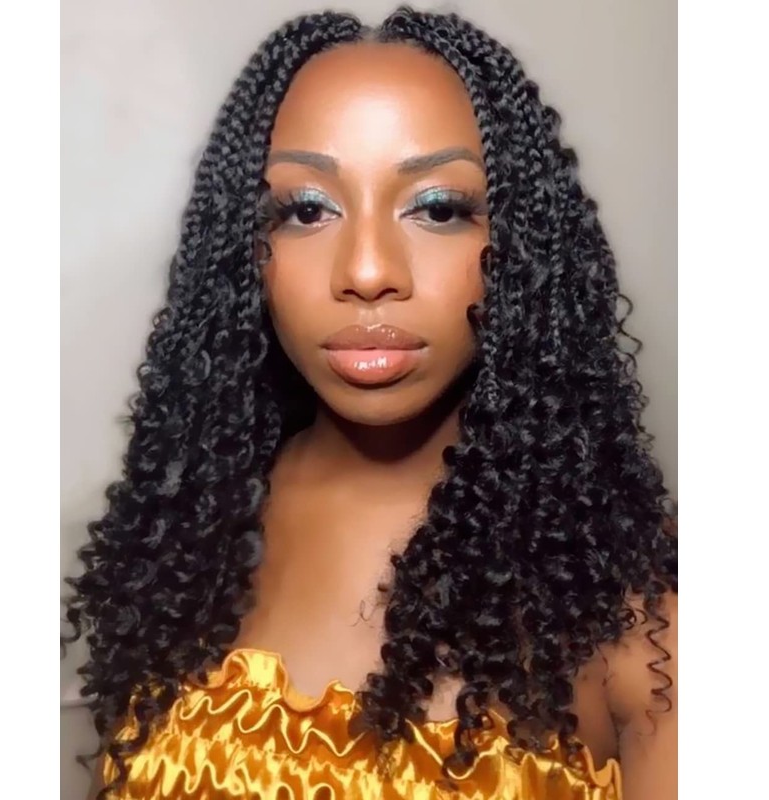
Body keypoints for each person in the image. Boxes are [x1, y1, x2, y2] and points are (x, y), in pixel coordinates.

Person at [63, 6, 678, 800]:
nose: (365, 270)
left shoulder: (639, 605)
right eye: (306, 210)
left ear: (524, 244)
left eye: (439, 208)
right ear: (245, 249)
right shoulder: (179, 536)